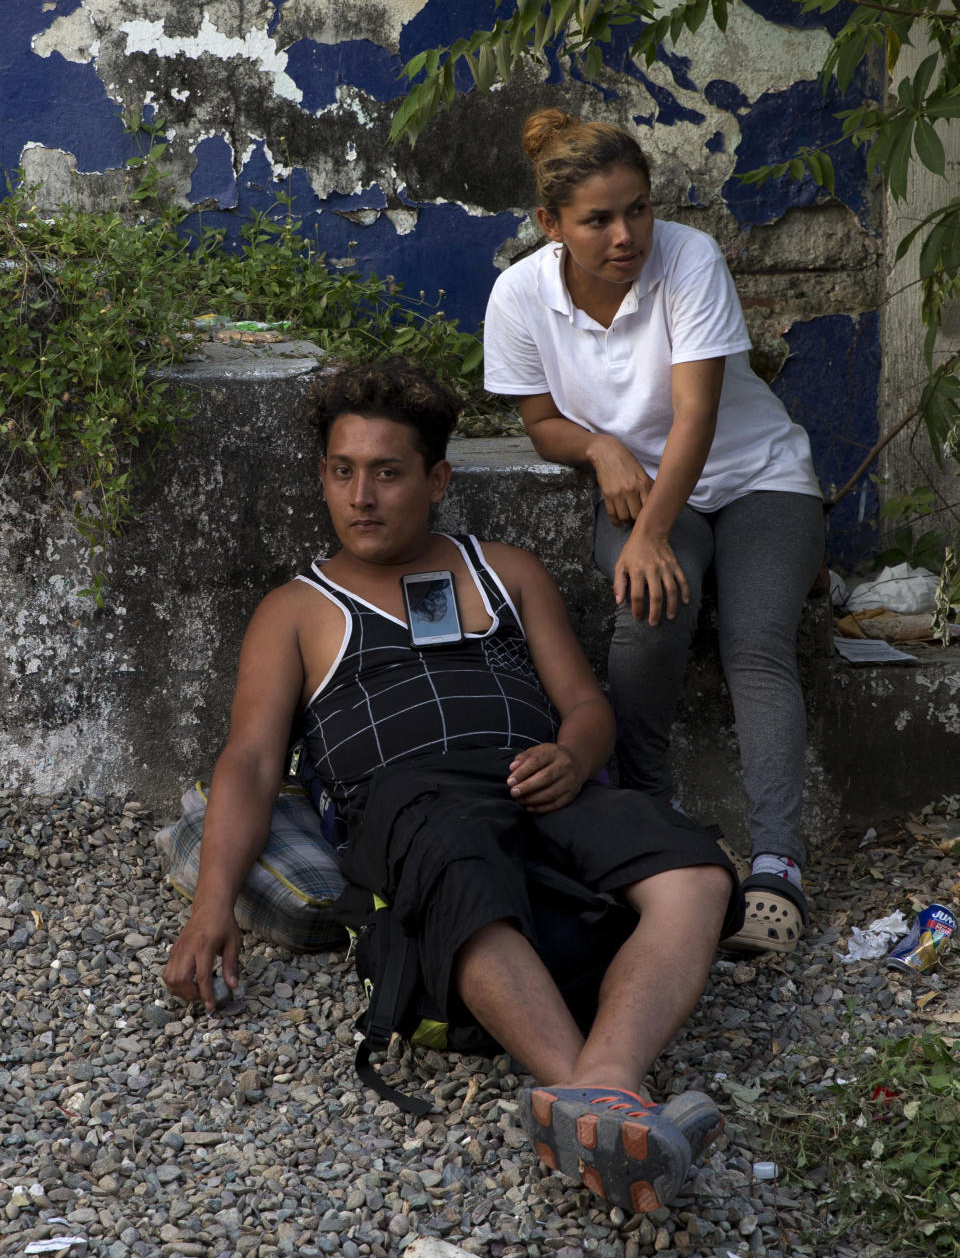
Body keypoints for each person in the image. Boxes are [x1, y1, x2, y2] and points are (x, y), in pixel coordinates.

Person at [163, 358, 744, 1214]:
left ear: (436, 479)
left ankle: (604, 1087)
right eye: (342, 471)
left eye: (388, 473)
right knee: (457, 867)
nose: (362, 495)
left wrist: (576, 757)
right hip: (411, 806)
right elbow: (250, 762)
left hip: (542, 782)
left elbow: (586, 703)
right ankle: (608, 1098)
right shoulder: (295, 608)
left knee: (696, 871)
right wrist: (212, 905)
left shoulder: (501, 569)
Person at [483, 108, 825, 954]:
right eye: (598, 219)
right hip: (643, 489)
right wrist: (599, 448)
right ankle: (658, 822)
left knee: (755, 641)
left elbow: (697, 414)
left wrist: (649, 534)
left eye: (637, 208)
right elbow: (538, 421)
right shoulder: (520, 294)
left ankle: (779, 862)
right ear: (551, 225)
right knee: (646, 616)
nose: (626, 233)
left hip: (757, 478)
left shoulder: (689, 258)